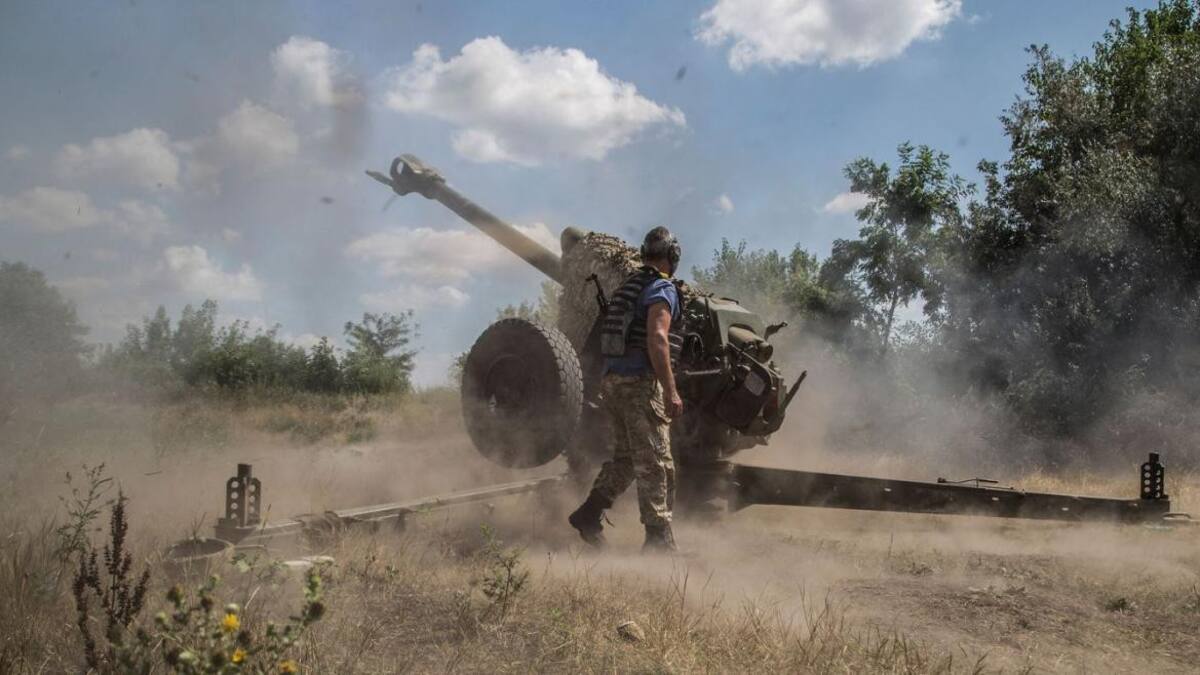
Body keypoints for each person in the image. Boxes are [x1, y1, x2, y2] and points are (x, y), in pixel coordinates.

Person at [568, 226, 685, 553]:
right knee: (657, 462)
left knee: (629, 458)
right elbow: (658, 338)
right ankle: (658, 541)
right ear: (673, 257)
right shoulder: (662, 288)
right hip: (639, 384)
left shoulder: (628, 288)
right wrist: (671, 390)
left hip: (613, 382)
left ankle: (588, 514)